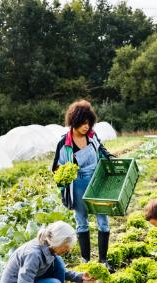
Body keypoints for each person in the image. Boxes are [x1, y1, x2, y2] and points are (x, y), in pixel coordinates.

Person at [52, 99, 112, 270]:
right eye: (83, 123)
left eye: (89, 123)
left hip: (96, 180)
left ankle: (103, 260)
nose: (86, 126)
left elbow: (101, 149)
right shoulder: (64, 144)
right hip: (77, 184)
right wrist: (64, 178)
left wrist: (108, 156)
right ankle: (85, 260)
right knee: (82, 221)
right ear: (74, 122)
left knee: (103, 220)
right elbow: (57, 169)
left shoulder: (92, 136)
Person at [0, 221, 93, 283]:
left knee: (58, 262)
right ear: (58, 241)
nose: (68, 249)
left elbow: (60, 271)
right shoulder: (33, 254)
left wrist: (79, 276)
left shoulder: (48, 247)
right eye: (66, 246)